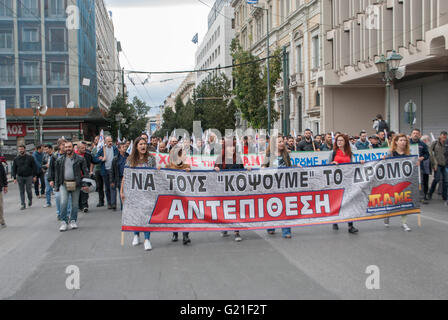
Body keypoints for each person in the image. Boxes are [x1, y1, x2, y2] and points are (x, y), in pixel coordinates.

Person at [121, 137, 156, 251]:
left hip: (147, 192)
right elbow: (125, 176)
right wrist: (122, 191)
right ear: (136, 146)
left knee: (146, 215)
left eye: (145, 144)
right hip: (133, 192)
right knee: (135, 215)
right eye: (141, 144)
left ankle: (147, 239)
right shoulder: (130, 159)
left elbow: (155, 174)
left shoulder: (151, 159)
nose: (143, 146)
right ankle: (136, 234)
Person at [52, 141, 89, 232]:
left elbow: (85, 172)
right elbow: (57, 174)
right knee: (63, 202)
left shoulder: (80, 159)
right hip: (64, 184)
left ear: (73, 147)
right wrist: (56, 186)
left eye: (69, 147)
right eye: (66, 147)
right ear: (63, 148)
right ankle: (64, 221)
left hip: (76, 184)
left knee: (75, 204)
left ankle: (73, 220)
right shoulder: (59, 160)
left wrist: (85, 184)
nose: (68, 149)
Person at [262, 134, 294, 239]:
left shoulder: (286, 154)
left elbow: (289, 167)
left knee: (285, 207)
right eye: (279, 142)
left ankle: (286, 231)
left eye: (282, 141)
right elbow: (263, 166)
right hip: (272, 185)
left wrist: (296, 167)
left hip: (284, 185)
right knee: (273, 206)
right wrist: (263, 168)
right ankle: (271, 226)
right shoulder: (269, 155)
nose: (281, 143)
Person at [214, 138, 246, 242]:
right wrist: (216, 169)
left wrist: (247, 170)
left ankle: (236, 231)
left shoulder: (238, 158)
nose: (232, 148)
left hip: (235, 189)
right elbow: (213, 172)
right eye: (230, 146)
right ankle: (225, 226)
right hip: (224, 189)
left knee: (236, 209)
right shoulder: (220, 158)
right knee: (225, 209)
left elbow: (242, 172)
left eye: (233, 146)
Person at [384, 134, 415, 231]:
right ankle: (387, 216)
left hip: (404, 181)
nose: (403, 142)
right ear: (396, 142)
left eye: (405, 140)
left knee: (404, 201)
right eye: (401, 140)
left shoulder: (408, 154)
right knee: (391, 201)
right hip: (392, 182)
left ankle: (404, 223)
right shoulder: (390, 153)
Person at [330, 134, 359, 234]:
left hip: (348, 180)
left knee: (349, 201)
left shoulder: (349, 152)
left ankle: (350, 226)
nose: (339, 142)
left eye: (341, 140)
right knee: (337, 202)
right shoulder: (334, 152)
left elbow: (353, 164)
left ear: (345, 142)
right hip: (337, 181)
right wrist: (333, 164)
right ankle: (335, 220)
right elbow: (327, 165)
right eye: (338, 140)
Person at [167, 145, 192, 245]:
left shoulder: (187, 167)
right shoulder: (168, 166)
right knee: (175, 215)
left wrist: (190, 172)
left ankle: (185, 235)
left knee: (185, 214)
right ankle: (175, 233)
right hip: (173, 195)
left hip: (185, 195)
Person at [95, 136, 119, 210]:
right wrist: (101, 158)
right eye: (108, 141)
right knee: (107, 188)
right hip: (105, 170)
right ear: (105, 142)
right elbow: (96, 157)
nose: (110, 143)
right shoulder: (102, 149)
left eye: (111, 141)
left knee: (113, 187)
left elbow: (118, 156)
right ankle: (109, 203)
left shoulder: (115, 148)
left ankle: (113, 203)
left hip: (113, 171)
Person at [12, 145, 37, 210]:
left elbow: (34, 167)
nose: (21, 150)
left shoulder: (30, 158)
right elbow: (14, 169)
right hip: (20, 177)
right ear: (18, 150)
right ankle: (23, 204)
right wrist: (14, 178)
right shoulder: (16, 159)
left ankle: (30, 199)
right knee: (21, 191)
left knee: (29, 190)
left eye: (22, 149)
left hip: (29, 176)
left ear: (25, 150)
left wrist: (34, 176)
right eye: (19, 149)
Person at [410, 129, 430, 203]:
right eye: (414, 133)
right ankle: (410, 197)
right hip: (407, 167)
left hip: (419, 166)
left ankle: (421, 197)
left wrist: (423, 157)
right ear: (411, 134)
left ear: (419, 135)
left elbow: (427, 154)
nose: (415, 134)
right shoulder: (406, 143)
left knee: (420, 182)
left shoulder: (422, 144)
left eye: (417, 133)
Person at [76, 142, 97, 213]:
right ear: (78, 149)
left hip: (85, 176)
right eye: (82, 148)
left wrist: (101, 159)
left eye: (85, 147)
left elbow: (94, 161)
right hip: (76, 177)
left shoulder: (87, 155)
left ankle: (85, 206)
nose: (84, 149)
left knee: (85, 190)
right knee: (78, 191)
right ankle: (79, 205)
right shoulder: (74, 155)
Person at [111, 142, 128, 211]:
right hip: (120, 178)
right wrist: (112, 181)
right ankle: (123, 209)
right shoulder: (115, 159)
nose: (125, 148)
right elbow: (112, 170)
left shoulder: (129, 157)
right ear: (119, 149)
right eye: (123, 147)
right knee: (122, 194)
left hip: (128, 178)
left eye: (125, 147)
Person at [91, 136, 105, 208]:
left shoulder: (104, 149)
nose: (96, 141)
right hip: (97, 170)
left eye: (97, 139)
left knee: (107, 186)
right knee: (99, 186)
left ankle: (111, 201)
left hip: (105, 169)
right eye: (95, 140)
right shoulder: (94, 150)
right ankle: (101, 201)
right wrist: (91, 171)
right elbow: (92, 161)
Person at [0, 160, 8, 228]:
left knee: (0, 205)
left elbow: (3, 175)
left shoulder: (0, 165)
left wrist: (5, 185)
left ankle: (2, 221)